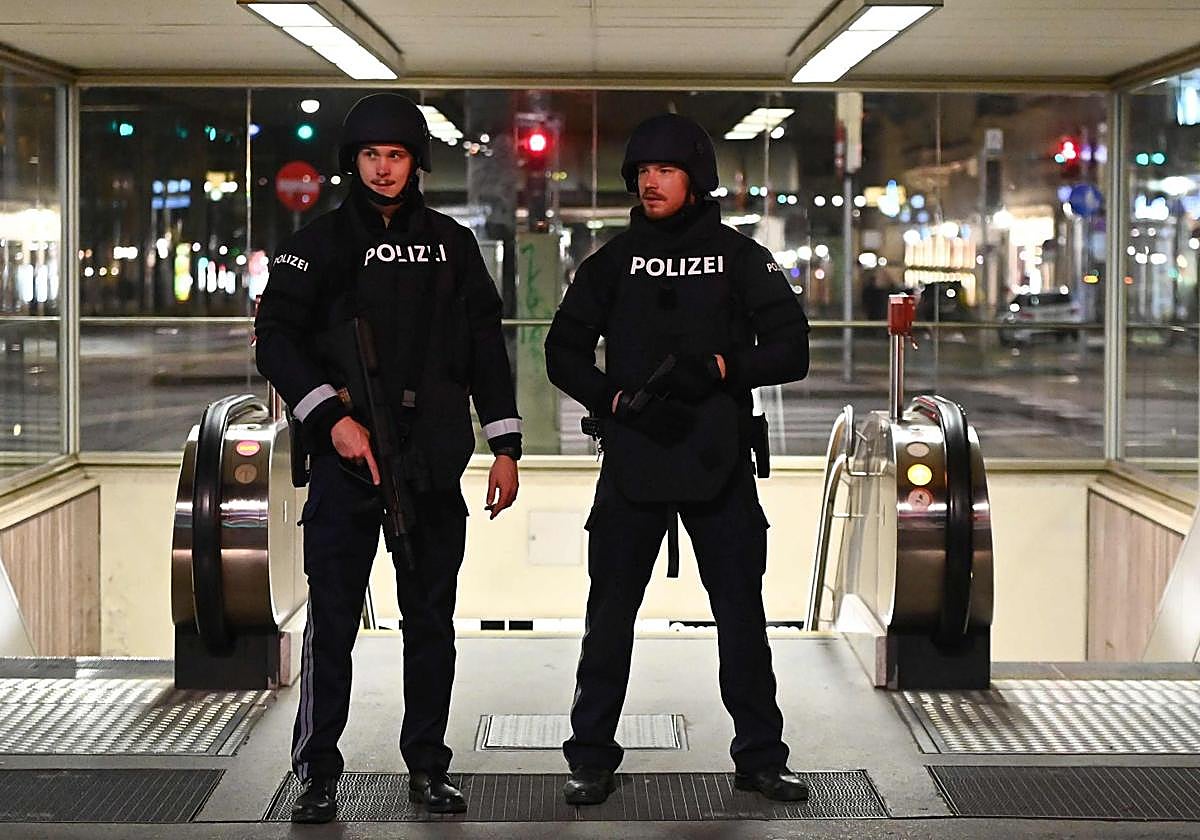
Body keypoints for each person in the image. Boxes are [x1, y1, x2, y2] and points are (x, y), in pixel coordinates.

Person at [254, 93, 522, 823]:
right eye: (370, 155)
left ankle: (429, 766)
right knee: (334, 623)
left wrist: (505, 446)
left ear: (416, 163)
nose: (382, 168)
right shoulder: (317, 244)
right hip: (346, 466)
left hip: (430, 465)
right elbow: (275, 339)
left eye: (396, 155)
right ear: (354, 161)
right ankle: (317, 773)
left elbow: (486, 347)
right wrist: (330, 418)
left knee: (430, 622)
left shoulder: (452, 245)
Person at [544, 113, 811, 806]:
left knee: (741, 619)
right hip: (634, 457)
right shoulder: (612, 262)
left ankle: (761, 757)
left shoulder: (739, 257)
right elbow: (561, 352)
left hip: (718, 461)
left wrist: (723, 367)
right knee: (608, 620)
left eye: (665, 170)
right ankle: (590, 758)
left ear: (696, 179)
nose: (651, 182)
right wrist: (616, 399)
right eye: (642, 171)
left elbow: (793, 349)